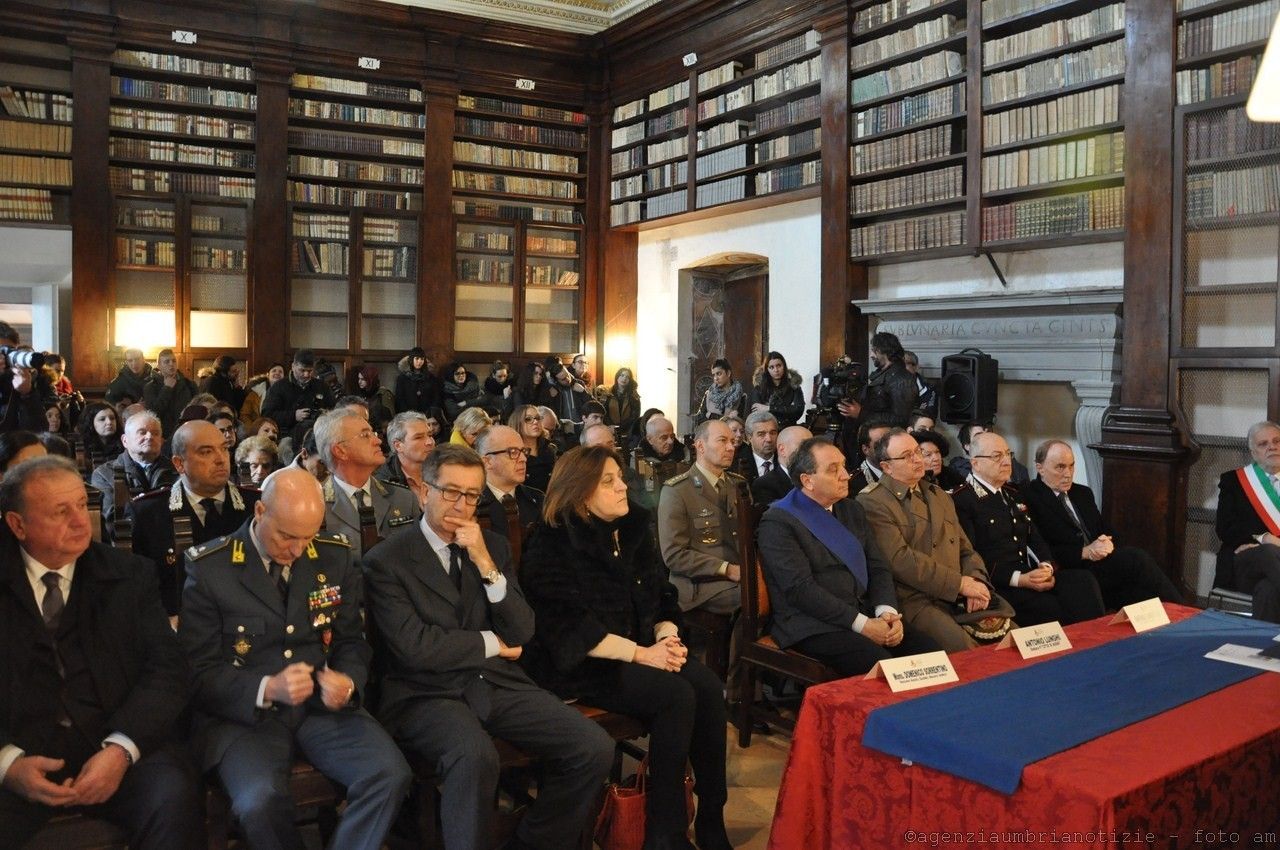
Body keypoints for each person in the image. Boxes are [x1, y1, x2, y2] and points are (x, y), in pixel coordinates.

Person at [362, 445, 613, 850]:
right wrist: (492, 642)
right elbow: (415, 647)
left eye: (471, 495)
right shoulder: (387, 559)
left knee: (593, 746)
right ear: (424, 492)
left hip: (494, 682)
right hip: (425, 692)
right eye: (450, 492)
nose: (461, 505)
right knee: (475, 757)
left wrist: (484, 563)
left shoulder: (490, 546)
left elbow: (523, 629)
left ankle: (531, 844)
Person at [178, 467, 412, 850]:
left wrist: (348, 681)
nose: (298, 550)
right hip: (244, 719)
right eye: (287, 536)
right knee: (259, 802)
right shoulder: (211, 569)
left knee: (388, 774)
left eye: (309, 537)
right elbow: (196, 672)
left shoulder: (334, 556)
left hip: (321, 708)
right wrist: (266, 688)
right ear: (259, 511)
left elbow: (351, 641)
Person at [519, 445, 731, 850]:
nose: (622, 487)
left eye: (620, 478)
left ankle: (711, 816)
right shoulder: (551, 540)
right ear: (580, 493)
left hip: (641, 648)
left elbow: (662, 593)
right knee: (675, 695)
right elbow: (566, 625)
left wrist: (667, 636)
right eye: (608, 481)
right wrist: (643, 654)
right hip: (581, 663)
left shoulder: (631, 528)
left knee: (707, 686)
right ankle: (664, 832)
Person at [0, 455, 204, 849]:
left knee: (173, 796)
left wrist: (121, 749)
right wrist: (7, 764)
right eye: (61, 512)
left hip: (114, 740)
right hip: (19, 753)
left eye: (82, 504)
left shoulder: (128, 574)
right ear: (17, 524)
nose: (81, 522)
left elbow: (168, 669)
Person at [757, 438, 940, 675]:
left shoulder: (851, 509)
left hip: (866, 613)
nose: (845, 475)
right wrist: (863, 625)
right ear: (807, 480)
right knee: (883, 669)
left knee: (932, 656)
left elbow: (878, 567)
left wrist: (886, 612)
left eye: (843, 466)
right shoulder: (779, 522)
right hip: (814, 624)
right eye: (833, 470)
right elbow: (800, 589)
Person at [857, 428, 996, 652]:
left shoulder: (937, 494)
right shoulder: (874, 502)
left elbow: (965, 548)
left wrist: (976, 579)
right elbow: (900, 560)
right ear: (886, 467)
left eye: (917, 452)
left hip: (958, 593)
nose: (917, 459)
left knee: (1010, 641)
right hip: (915, 598)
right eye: (906, 456)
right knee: (968, 651)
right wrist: (959, 584)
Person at [952, 431, 1104, 627]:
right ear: (975, 463)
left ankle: (1100, 639)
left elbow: (1035, 537)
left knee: (1082, 581)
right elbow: (970, 555)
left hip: (1030, 573)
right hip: (1000, 583)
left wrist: (1046, 566)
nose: (1006, 461)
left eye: (1008, 454)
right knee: (1053, 608)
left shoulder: (1012, 494)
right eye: (997, 456)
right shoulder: (962, 500)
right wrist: (1020, 579)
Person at [1024, 439, 1183, 609]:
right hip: (1071, 568)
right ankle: (1184, 612)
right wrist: (1084, 552)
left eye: (1071, 466)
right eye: (1060, 467)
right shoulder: (1030, 498)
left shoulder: (1082, 493)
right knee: (1137, 559)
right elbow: (1040, 548)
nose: (1068, 474)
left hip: (1100, 564)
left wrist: (1107, 542)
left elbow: (1104, 529)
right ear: (1040, 468)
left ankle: (1181, 617)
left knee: (1141, 594)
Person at [131, 420, 262, 616]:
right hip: (177, 622)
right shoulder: (149, 513)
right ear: (179, 463)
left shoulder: (256, 505)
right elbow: (140, 588)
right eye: (206, 452)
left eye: (224, 449)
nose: (221, 459)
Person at [657, 418, 743, 616]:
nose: (731, 447)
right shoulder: (677, 491)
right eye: (722, 440)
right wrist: (727, 569)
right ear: (701, 446)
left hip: (740, 575)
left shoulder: (739, 485)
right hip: (699, 584)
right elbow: (674, 555)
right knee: (754, 600)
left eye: (732, 441)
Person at [313, 408, 421, 560]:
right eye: (365, 435)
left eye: (373, 433)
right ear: (340, 451)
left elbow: (418, 559)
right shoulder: (315, 507)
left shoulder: (404, 498)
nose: (378, 441)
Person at [1214, 420, 1280, 621]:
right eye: (1263, 444)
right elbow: (1225, 528)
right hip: (1246, 562)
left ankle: (1264, 641)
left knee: (1267, 590)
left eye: (1277, 441)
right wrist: (1264, 538)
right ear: (1253, 453)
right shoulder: (1234, 481)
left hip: (1272, 574)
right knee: (1268, 552)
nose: (1272, 447)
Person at [90, 411, 178, 528]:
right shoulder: (104, 474)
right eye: (142, 432)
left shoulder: (176, 470)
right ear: (125, 440)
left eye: (155, 433)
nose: (149, 437)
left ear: (161, 441)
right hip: (128, 536)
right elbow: (113, 520)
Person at [475, 424, 543, 541]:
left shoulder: (538, 499)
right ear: (487, 462)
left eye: (523, 451)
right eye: (513, 452)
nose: (523, 459)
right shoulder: (469, 504)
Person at [262, 349, 336, 446]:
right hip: (287, 435)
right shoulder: (279, 387)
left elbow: (334, 409)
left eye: (310, 371)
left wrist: (324, 413)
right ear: (293, 366)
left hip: (318, 434)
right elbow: (267, 414)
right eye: (302, 370)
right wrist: (293, 416)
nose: (306, 375)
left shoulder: (322, 386)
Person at [375, 410, 435, 502]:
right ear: (398, 446)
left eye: (430, 435)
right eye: (418, 437)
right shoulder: (383, 483)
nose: (430, 442)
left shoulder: (443, 469)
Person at [948, 422, 1031, 485]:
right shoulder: (958, 472)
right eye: (978, 435)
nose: (986, 438)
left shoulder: (1015, 467)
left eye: (987, 434)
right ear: (967, 446)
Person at [142, 349, 198, 438]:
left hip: (187, 433)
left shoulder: (189, 384)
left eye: (174, 361)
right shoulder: (150, 387)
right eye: (167, 362)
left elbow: (197, 409)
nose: (171, 364)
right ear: (159, 366)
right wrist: (167, 389)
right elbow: (153, 414)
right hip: (163, 436)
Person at [752, 425, 812, 506]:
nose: (810, 452)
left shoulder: (817, 477)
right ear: (782, 450)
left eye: (812, 446)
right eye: (803, 446)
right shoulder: (764, 484)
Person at [750, 351, 805, 429]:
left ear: (784, 366)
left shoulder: (794, 386)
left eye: (779, 366)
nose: (776, 370)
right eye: (771, 367)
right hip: (766, 428)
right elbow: (757, 415)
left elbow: (798, 411)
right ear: (767, 369)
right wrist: (787, 410)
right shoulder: (759, 388)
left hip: (788, 428)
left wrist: (768, 408)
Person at [510, 404, 557, 493]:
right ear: (518, 423)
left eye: (538, 418)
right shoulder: (512, 454)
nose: (535, 422)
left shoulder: (549, 449)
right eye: (528, 419)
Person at [695, 359, 746, 424]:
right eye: (714, 375)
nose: (715, 378)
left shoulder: (740, 396)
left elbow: (743, 422)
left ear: (728, 373)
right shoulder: (709, 394)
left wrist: (734, 418)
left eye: (719, 374)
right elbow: (700, 419)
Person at [848, 419, 892, 494]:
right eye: (880, 444)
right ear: (865, 449)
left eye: (891, 442)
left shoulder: (906, 469)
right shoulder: (854, 483)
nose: (888, 448)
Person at [394, 346, 441, 415]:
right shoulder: (402, 378)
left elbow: (436, 398)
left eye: (422, 359)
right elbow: (399, 399)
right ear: (411, 359)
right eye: (417, 358)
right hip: (407, 415)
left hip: (427, 415)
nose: (419, 362)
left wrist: (430, 413)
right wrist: (407, 414)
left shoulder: (431, 378)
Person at [348, 365, 396, 432]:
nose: (359, 382)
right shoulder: (361, 395)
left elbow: (391, 417)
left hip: (381, 432)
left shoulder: (383, 394)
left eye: (363, 379)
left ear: (370, 380)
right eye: (359, 379)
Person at [737, 409, 779, 483]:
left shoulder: (786, 460)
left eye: (772, 433)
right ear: (749, 437)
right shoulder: (737, 463)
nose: (769, 439)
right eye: (761, 434)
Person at [602, 367, 640, 437]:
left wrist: (620, 427)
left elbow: (634, 417)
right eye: (622, 375)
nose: (624, 378)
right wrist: (611, 425)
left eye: (627, 377)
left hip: (627, 431)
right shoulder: (607, 394)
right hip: (610, 430)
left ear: (629, 380)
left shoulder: (634, 396)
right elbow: (603, 413)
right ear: (617, 377)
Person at [902, 350, 938, 419]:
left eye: (904, 363)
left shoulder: (929, 389)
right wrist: (917, 410)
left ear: (916, 367)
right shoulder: (888, 386)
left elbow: (929, 416)